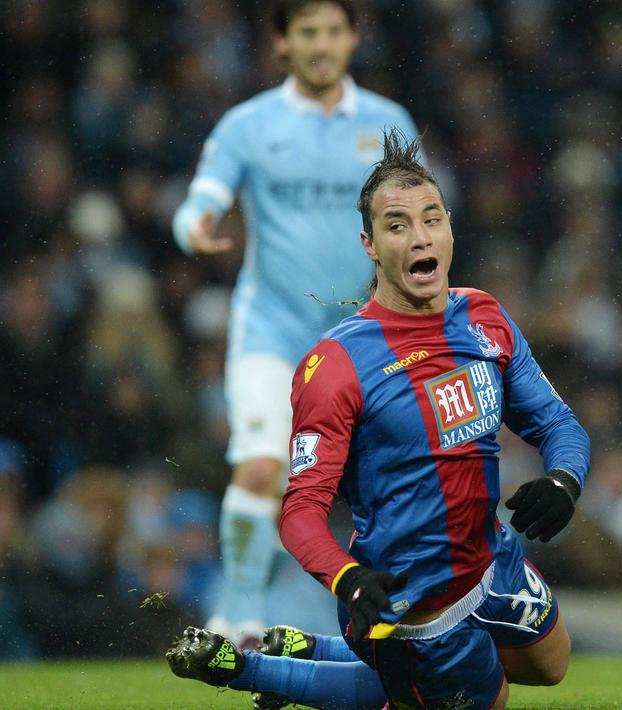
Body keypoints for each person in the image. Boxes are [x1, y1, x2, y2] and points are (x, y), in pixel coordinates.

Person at [168, 130, 590, 710]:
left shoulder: (483, 317)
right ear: (369, 244)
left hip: (492, 560)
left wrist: (565, 479)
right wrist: (346, 578)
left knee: (551, 666)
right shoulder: (336, 366)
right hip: (412, 601)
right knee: (468, 695)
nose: (420, 237)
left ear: (449, 227)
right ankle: (247, 668)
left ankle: (305, 647)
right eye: (398, 225)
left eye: (431, 219)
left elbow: (556, 421)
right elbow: (300, 513)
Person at [170, 0, 418, 645]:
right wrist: (194, 225)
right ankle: (239, 616)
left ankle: (414, 622)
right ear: (281, 43)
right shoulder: (249, 125)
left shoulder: (388, 123)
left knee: (398, 485)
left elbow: (418, 220)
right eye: (308, 32)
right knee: (260, 466)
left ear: (353, 39)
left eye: (334, 31)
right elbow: (203, 196)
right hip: (273, 330)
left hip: (362, 338)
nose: (322, 45)